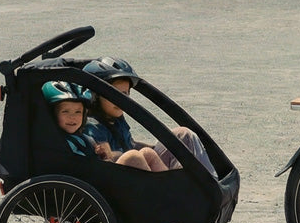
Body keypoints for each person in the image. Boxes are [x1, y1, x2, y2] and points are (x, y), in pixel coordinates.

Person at [82, 56, 213, 173]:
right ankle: (176, 191)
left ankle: (208, 181)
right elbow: (106, 158)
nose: (121, 100)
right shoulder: (94, 126)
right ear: (95, 96)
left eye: (125, 94)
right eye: (114, 94)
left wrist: (169, 147)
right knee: (138, 155)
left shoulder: (117, 120)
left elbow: (130, 144)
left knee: (182, 135)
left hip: (137, 171)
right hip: (120, 176)